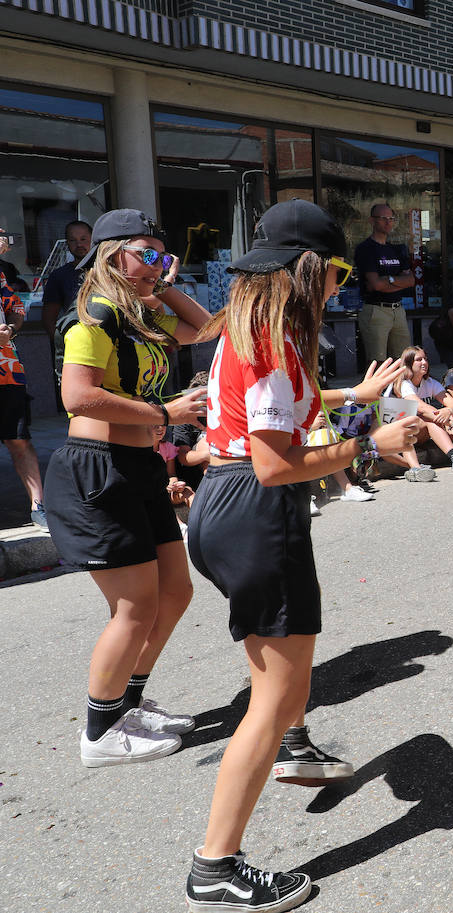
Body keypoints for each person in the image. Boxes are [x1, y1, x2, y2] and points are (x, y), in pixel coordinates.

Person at [185, 199, 421, 912]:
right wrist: (371, 444)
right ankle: (216, 866)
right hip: (256, 512)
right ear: (308, 269)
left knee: (282, 678)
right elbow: (276, 464)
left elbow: (297, 422)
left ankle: (291, 746)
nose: (341, 284)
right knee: (277, 692)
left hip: (228, 511)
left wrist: (362, 401)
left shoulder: (252, 327)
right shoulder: (271, 340)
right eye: (338, 270)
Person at [42, 209, 212, 766]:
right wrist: (163, 410)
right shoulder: (94, 313)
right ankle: (98, 733)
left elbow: (205, 329)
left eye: (164, 255)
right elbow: (77, 397)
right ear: (113, 255)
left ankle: (125, 704)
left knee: (175, 593)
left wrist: (162, 283)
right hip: (98, 466)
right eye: (147, 253)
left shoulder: (139, 315)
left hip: (138, 467)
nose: (157, 265)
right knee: (136, 607)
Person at [0, 270, 46, 528]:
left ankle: (38, 505)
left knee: (19, 439)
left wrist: (11, 329)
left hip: (7, 371)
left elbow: (15, 306)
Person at [392, 344, 453, 471]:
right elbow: (422, 408)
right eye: (419, 360)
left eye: (425, 359)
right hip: (398, 435)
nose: (424, 362)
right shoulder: (404, 384)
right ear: (408, 364)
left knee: (444, 413)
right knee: (431, 418)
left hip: (418, 431)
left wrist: (449, 412)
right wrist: (450, 424)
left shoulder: (429, 382)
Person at [354, 202, 415, 363]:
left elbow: (410, 280)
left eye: (391, 218)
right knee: (377, 362)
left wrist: (389, 280)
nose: (388, 222)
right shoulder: (366, 248)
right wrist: (395, 282)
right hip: (376, 310)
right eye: (383, 218)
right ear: (372, 221)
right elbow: (376, 285)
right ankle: (376, 390)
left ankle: (400, 389)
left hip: (398, 309)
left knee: (404, 360)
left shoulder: (396, 249)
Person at [41, 219, 92, 344]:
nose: (79, 244)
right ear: (67, 243)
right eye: (73, 240)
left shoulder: (109, 271)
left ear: (93, 239)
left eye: (83, 239)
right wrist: (62, 347)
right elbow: (49, 318)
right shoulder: (58, 276)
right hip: (76, 344)